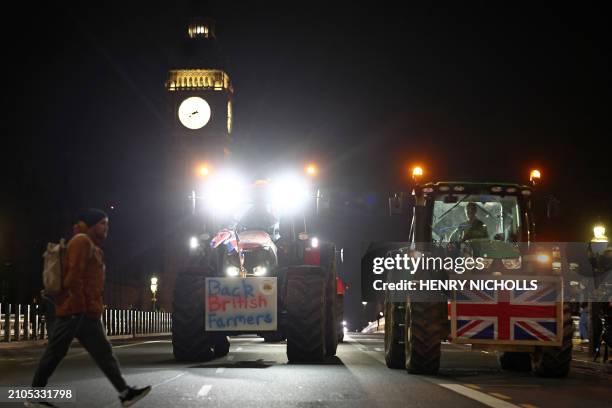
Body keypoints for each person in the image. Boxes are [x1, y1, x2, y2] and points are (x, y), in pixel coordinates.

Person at [26, 209, 151, 408]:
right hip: (74, 311)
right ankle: (34, 397)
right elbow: (73, 277)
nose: (106, 227)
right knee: (55, 352)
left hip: (87, 313)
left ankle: (125, 393)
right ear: (92, 224)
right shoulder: (81, 242)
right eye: (103, 223)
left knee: (104, 354)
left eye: (107, 224)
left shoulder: (91, 245)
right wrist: (80, 305)